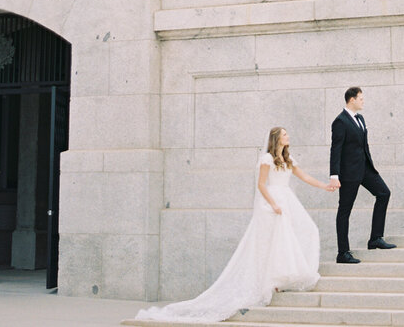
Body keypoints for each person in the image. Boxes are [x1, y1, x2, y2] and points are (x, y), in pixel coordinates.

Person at [136, 127, 338, 323]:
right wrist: (273, 204)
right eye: (285, 134)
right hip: (273, 200)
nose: (288, 136)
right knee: (273, 240)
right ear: (277, 138)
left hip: (287, 199)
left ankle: (280, 278)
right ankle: (272, 281)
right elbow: (261, 184)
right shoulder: (267, 159)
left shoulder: (288, 159)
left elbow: (304, 177)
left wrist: (325, 186)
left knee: (301, 232)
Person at [330, 86, 396, 264]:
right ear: (351, 99)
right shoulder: (340, 121)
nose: (363, 101)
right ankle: (343, 253)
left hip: (365, 169)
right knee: (345, 211)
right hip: (349, 173)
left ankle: (375, 238)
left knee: (384, 193)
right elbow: (335, 149)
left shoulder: (360, 118)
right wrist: (334, 175)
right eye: (360, 98)